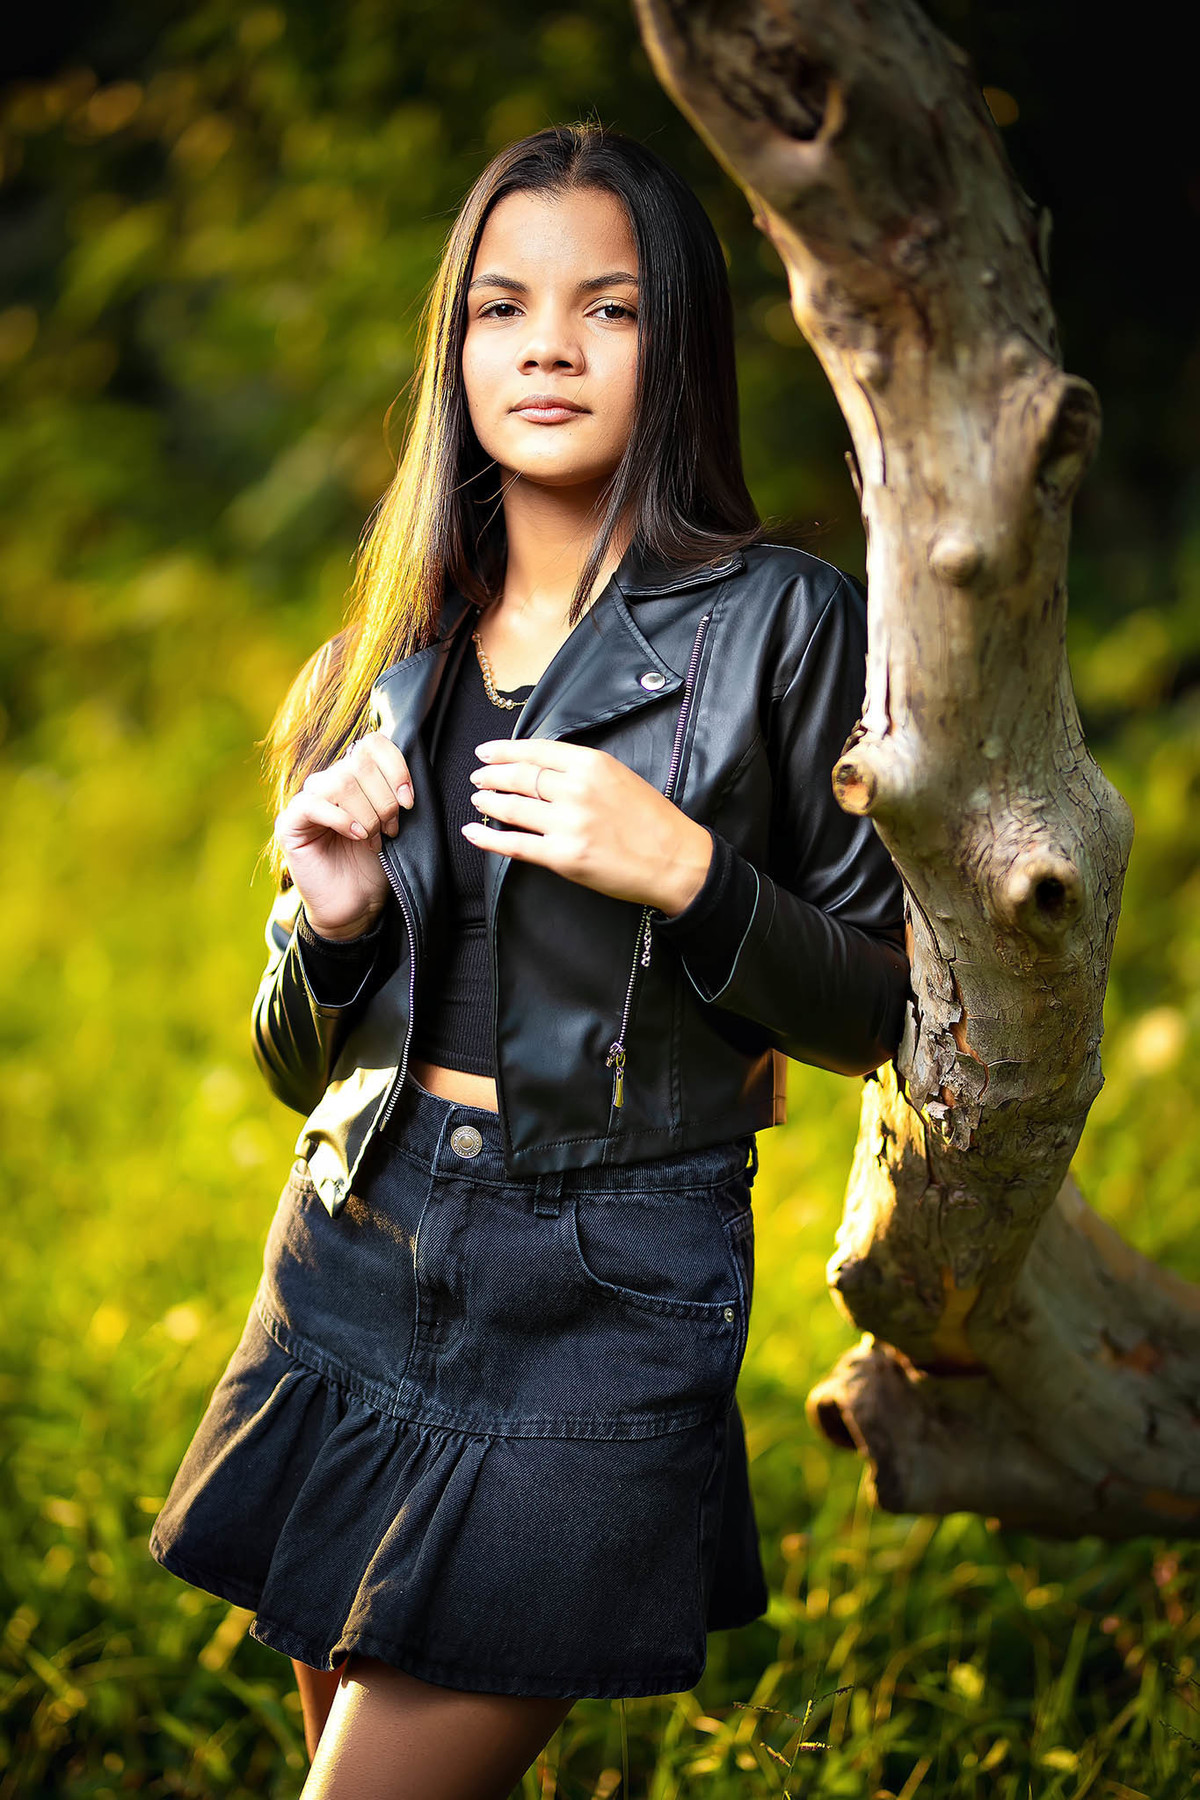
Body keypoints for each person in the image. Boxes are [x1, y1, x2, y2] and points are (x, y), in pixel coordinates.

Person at [147, 121, 910, 1798]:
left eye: (606, 307)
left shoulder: (786, 622)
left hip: (608, 1274)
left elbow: (883, 1009)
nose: (548, 346)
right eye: (503, 307)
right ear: (458, 348)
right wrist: (329, 920)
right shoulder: (384, 654)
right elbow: (296, 1065)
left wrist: (690, 873)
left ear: (676, 342)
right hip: (355, 1245)